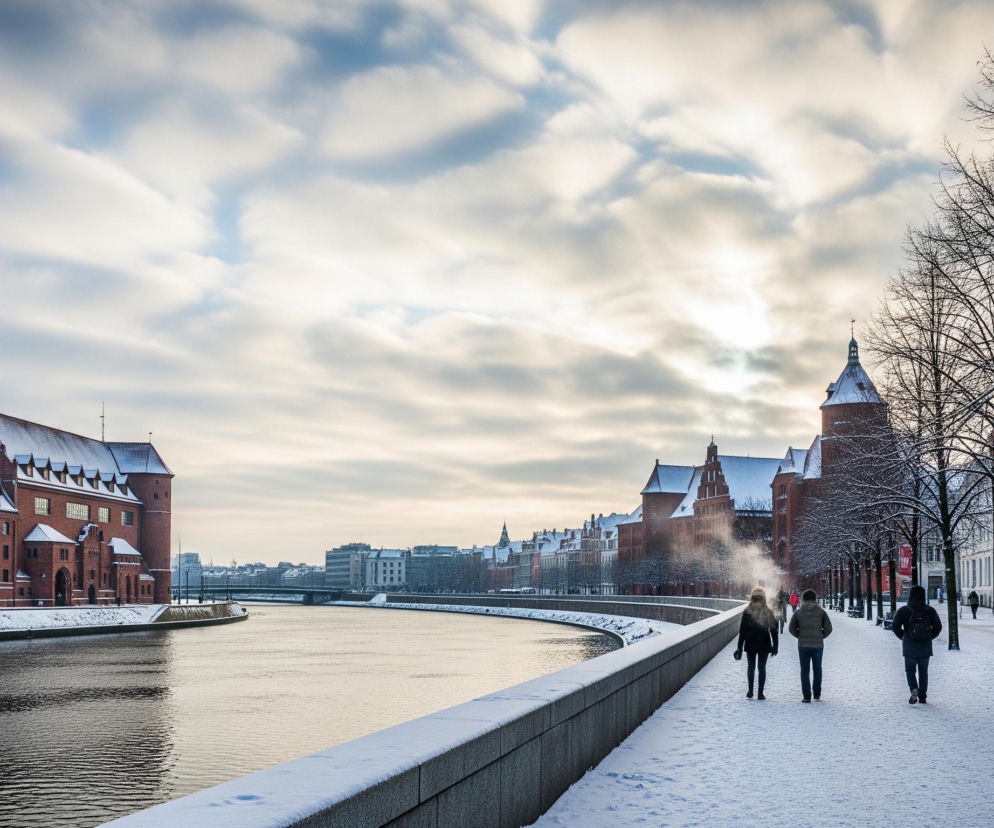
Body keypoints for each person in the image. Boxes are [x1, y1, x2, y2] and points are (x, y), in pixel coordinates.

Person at [892, 584, 942, 704]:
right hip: (925, 647)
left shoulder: (904, 610)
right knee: (923, 671)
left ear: (911, 596)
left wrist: (904, 636)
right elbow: (938, 627)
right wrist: (929, 636)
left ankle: (914, 689)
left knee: (910, 670)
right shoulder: (930, 610)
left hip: (909, 646)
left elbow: (895, 627)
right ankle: (923, 696)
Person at [788, 588, 832, 702]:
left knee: (804, 670)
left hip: (803, 645)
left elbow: (791, 628)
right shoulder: (821, 612)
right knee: (817, 669)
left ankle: (806, 696)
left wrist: (799, 635)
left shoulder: (798, 612)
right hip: (818, 645)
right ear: (815, 599)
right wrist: (821, 636)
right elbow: (829, 628)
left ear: (803, 599)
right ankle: (817, 693)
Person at [734, 586, 778, 700]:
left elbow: (742, 631)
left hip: (750, 642)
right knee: (762, 667)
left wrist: (739, 647)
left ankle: (750, 690)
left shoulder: (747, 611)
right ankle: (760, 692)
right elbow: (773, 630)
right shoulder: (768, 611)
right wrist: (775, 646)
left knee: (751, 667)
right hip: (764, 643)